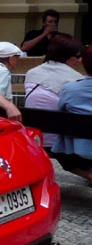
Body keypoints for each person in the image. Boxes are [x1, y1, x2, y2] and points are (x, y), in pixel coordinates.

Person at [24, 34, 83, 148]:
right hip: (60, 142)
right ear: (66, 56)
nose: (79, 60)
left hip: (33, 138)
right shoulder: (75, 79)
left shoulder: (31, 73)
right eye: (77, 56)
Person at [51, 45, 92, 185]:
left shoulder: (70, 89)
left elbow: (61, 111)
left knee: (65, 134)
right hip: (83, 149)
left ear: (83, 63)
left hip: (80, 150)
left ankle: (88, 174)